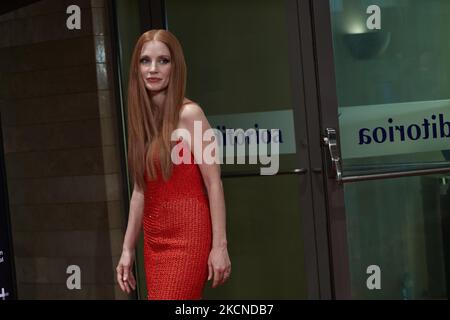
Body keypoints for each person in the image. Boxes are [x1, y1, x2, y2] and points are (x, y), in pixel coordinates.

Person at [115, 29, 231, 300]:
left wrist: (220, 246)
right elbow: (140, 191)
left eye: (163, 61)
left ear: (175, 67)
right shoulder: (142, 120)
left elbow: (214, 183)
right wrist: (127, 249)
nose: (153, 69)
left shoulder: (190, 114)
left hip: (189, 234)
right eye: (145, 61)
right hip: (155, 239)